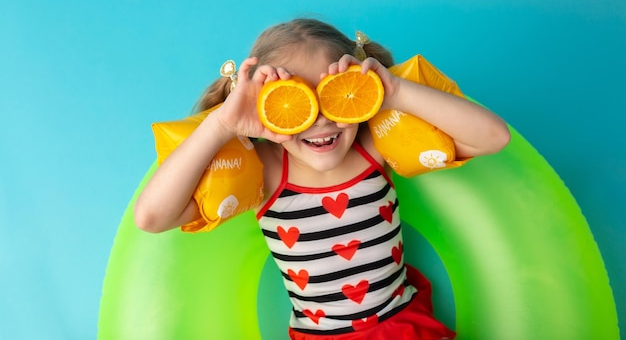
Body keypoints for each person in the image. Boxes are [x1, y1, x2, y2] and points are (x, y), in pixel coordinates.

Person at [134, 18, 511, 339]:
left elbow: (495, 137)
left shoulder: (373, 145)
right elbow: (151, 218)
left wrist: (393, 92)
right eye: (297, 101)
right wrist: (222, 124)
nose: (321, 121)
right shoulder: (265, 169)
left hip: (404, 327)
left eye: (333, 97)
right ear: (265, 106)